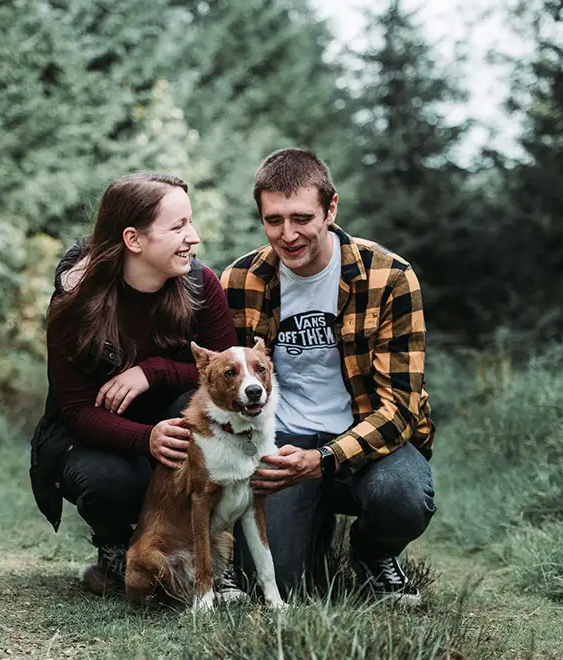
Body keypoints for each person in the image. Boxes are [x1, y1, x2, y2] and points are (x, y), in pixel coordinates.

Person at [220, 149, 437, 604]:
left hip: (368, 440)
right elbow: (224, 386)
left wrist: (323, 459)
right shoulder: (240, 280)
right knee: (283, 588)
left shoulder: (390, 277)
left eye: (302, 217)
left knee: (402, 496)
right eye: (273, 220)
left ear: (331, 208)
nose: (288, 234)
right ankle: (306, 537)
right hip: (280, 443)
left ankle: (373, 553)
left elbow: (400, 409)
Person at [29, 172, 241, 597]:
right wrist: (146, 439)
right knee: (105, 479)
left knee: (198, 409)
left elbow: (229, 378)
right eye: (178, 226)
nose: (193, 237)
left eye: (190, 222)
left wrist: (153, 371)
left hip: (173, 422)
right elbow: (76, 411)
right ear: (134, 239)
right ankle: (115, 550)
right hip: (97, 439)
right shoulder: (75, 303)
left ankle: (212, 557)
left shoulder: (202, 286)